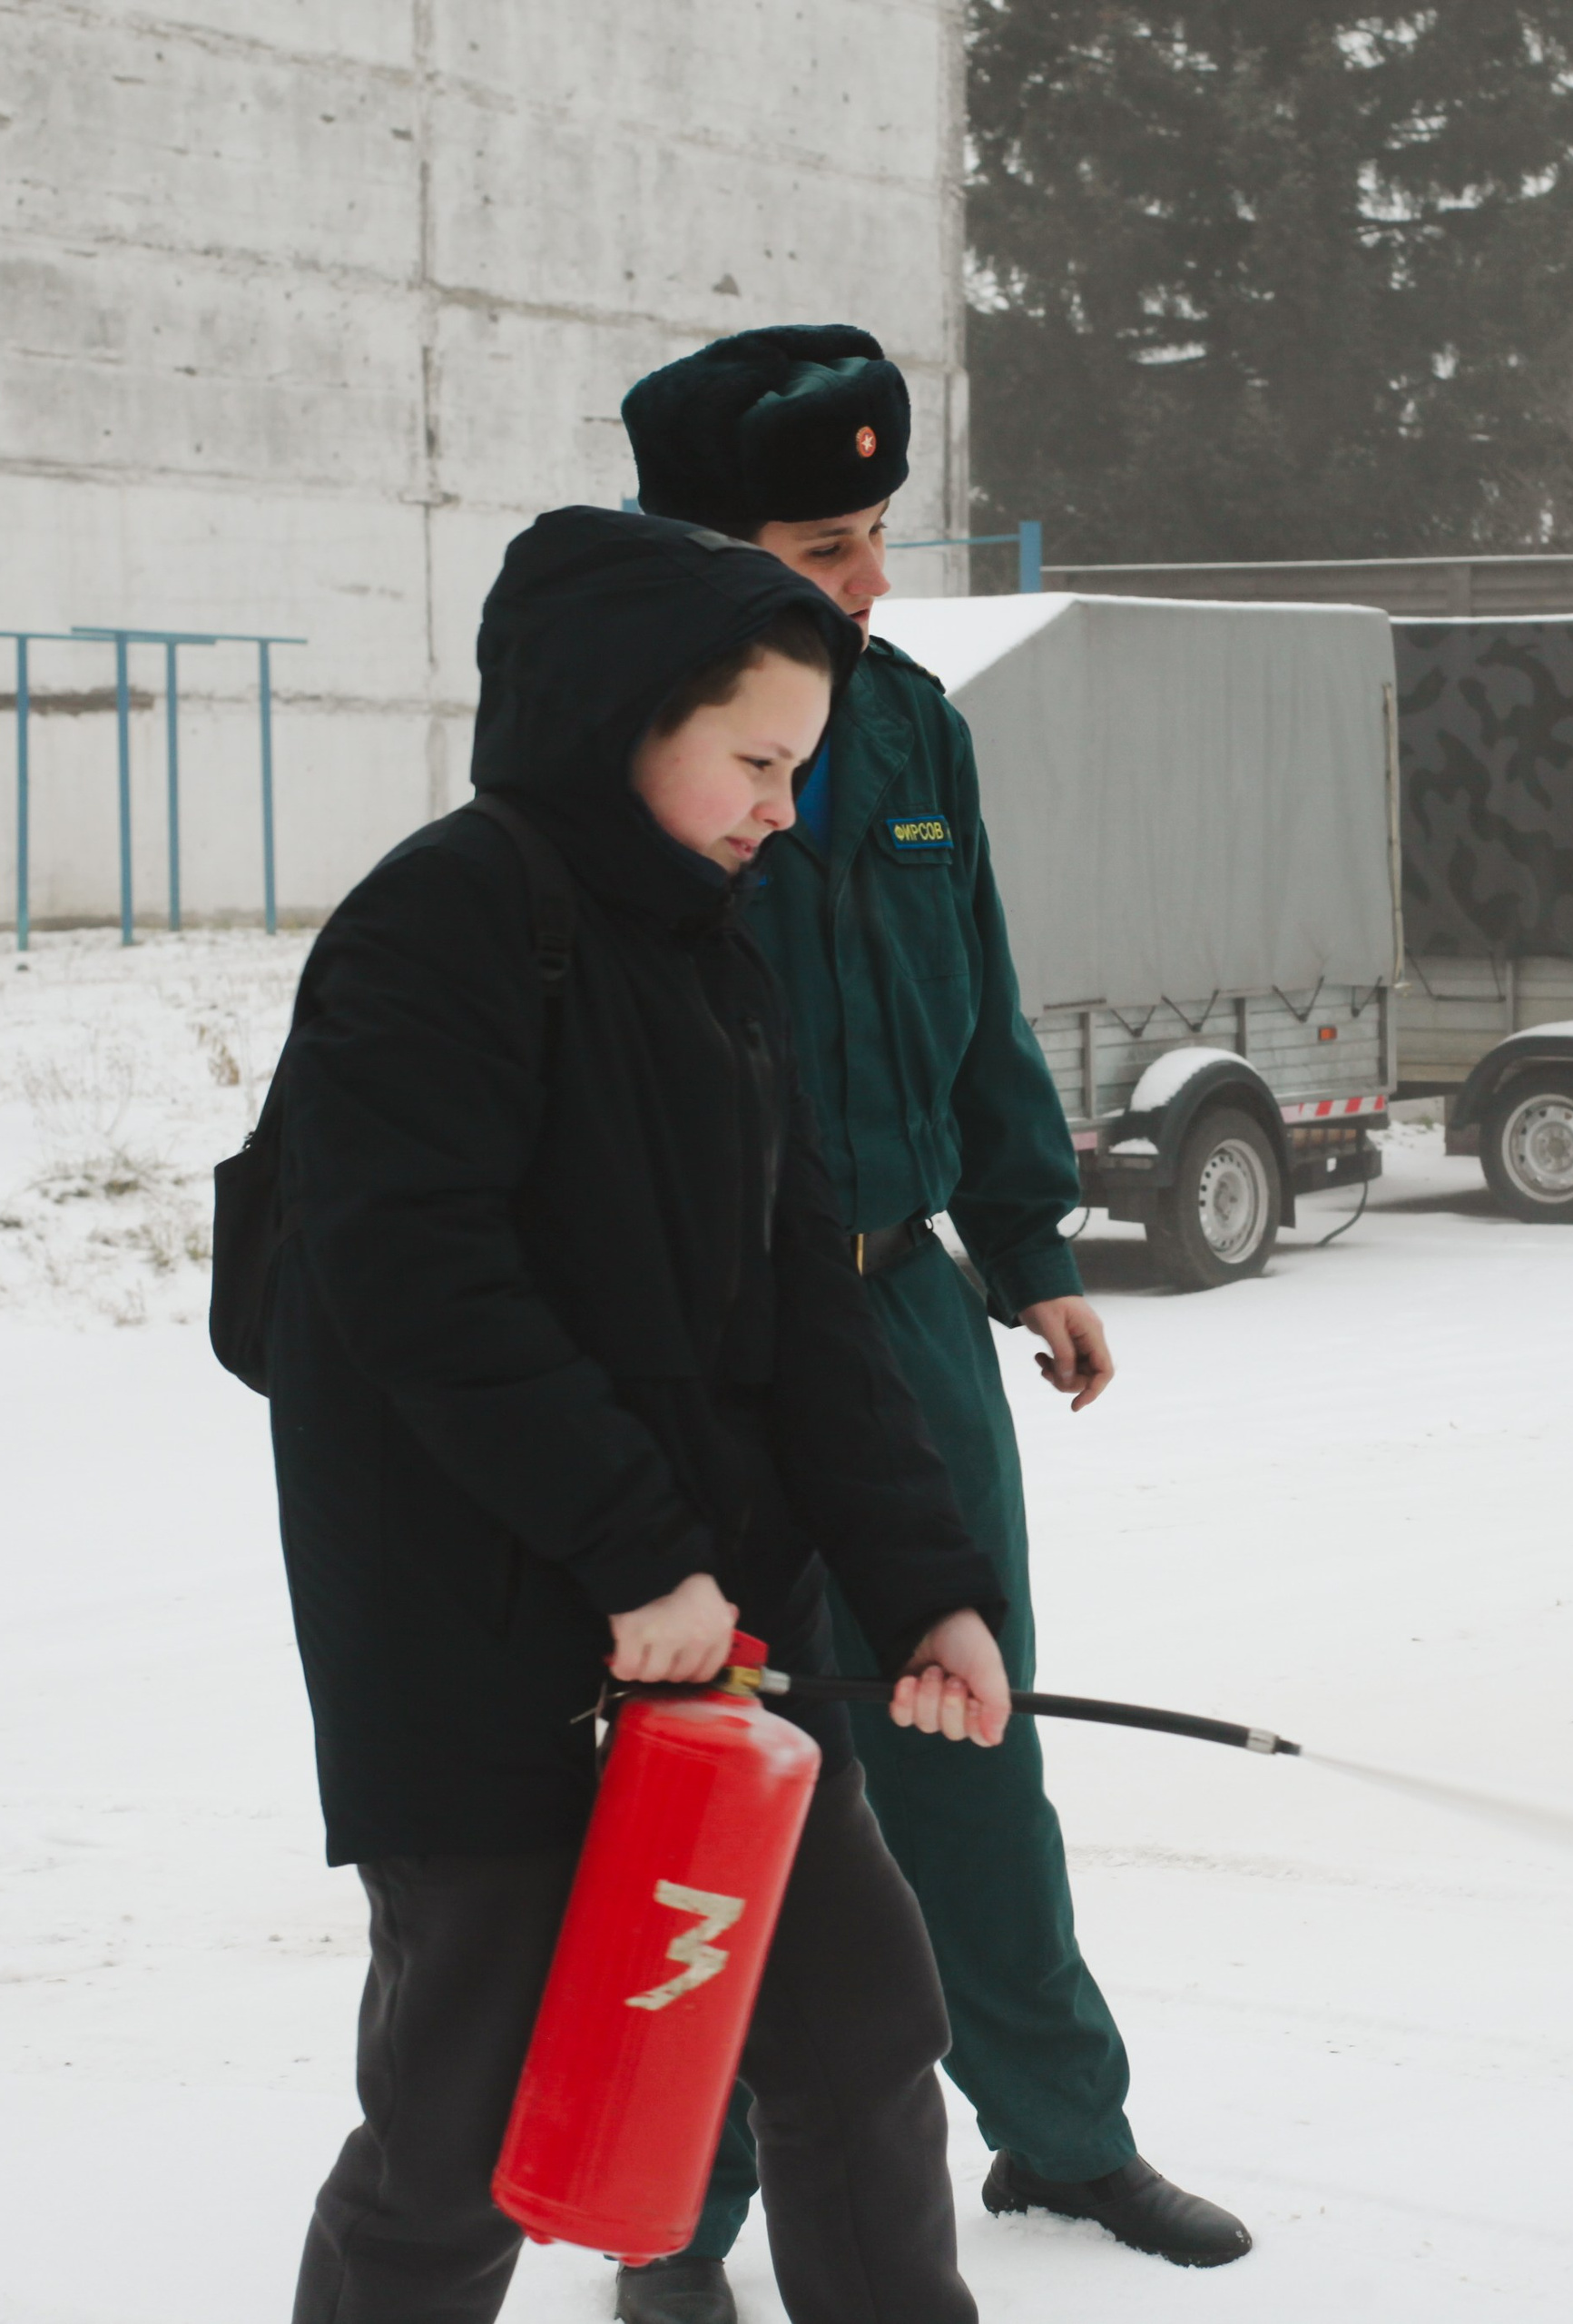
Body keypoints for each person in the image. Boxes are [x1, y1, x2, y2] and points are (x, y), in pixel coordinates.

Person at [267, 505, 1014, 2324]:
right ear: (623, 713)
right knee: (463, 2118)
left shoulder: (708, 947)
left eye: (800, 768)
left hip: (721, 1641)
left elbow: (803, 1313)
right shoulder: (445, 921)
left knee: (851, 2033)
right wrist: (631, 1548)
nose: (782, 804)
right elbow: (414, 1288)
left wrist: (926, 1584)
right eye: (755, 758)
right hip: (481, 1632)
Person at [614, 326, 1252, 2322]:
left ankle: (1056, 2122)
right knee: (724, 1777)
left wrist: (1028, 1242)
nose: (872, 581)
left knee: (978, 1735)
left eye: (878, 533)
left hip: (907, 1313)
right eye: (824, 542)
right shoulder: (628, 755)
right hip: (713, 1345)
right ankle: (675, 2212)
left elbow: (971, 988)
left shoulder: (899, 726)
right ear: (702, 549)